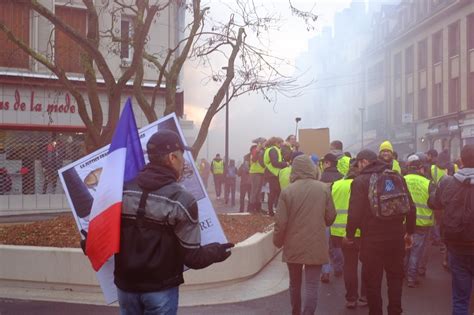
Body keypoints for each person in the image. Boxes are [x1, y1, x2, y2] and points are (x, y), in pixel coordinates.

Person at [113, 129, 234, 314]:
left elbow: (105, 234)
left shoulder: (122, 190)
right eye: (181, 156)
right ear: (172, 158)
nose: (184, 161)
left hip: (125, 287)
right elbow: (193, 258)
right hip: (160, 288)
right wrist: (217, 251)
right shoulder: (182, 199)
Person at [346, 149, 416, 315]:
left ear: (363, 162)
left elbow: (354, 214)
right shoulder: (397, 177)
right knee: (395, 278)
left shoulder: (360, 181)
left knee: (373, 281)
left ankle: (375, 312)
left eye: (358, 164)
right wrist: (409, 232)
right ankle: (395, 310)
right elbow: (411, 208)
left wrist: (349, 236)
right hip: (396, 237)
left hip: (371, 240)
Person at [273, 155, 336, 315]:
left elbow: (281, 223)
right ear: (311, 168)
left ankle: (296, 312)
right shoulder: (323, 189)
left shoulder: (287, 191)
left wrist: (278, 242)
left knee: (294, 283)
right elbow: (330, 218)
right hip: (316, 244)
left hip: (293, 244)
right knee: (312, 285)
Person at [429, 144, 474, 315]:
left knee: (460, 298)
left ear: (461, 160)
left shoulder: (448, 182)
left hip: (457, 244)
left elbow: (433, 203)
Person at [330, 165, 367, 309]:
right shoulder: (364, 185)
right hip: (362, 233)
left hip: (341, 233)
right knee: (367, 265)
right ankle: (364, 296)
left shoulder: (337, 185)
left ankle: (351, 298)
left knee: (349, 266)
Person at [403, 154, 435, 288]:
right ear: (420, 168)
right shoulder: (428, 183)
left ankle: (404, 274)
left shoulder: (402, 179)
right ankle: (411, 277)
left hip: (404, 222)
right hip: (422, 223)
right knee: (416, 251)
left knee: (406, 249)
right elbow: (434, 203)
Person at [320, 152, 344, 284]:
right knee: (336, 245)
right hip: (340, 218)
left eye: (323, 162)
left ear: (328, 163)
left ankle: (325, 271)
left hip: (325, 217)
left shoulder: (322, 178)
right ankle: (339, 267)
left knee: (325, 246)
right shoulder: (342, 177)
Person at [263, 137, 289, 216]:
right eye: (281, 143)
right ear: (277, 143)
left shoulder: (272, 149)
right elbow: (274, 163)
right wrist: (285, 164)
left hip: (273, 174)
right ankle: (273, 211)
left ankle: (273, 211)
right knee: (276, 193)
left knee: (274, 193)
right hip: (273, 174)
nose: (282, 145)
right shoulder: (273, 150)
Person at [249, 141, 266, 213]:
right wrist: (257, 151)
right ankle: (252, 208)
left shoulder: (263, 150)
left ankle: (258, 208)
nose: (265, 144)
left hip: (261, 172)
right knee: (255, 191)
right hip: (255, 172)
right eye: (264, 142)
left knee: (259, 191)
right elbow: (254, 159)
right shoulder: (255, 150)